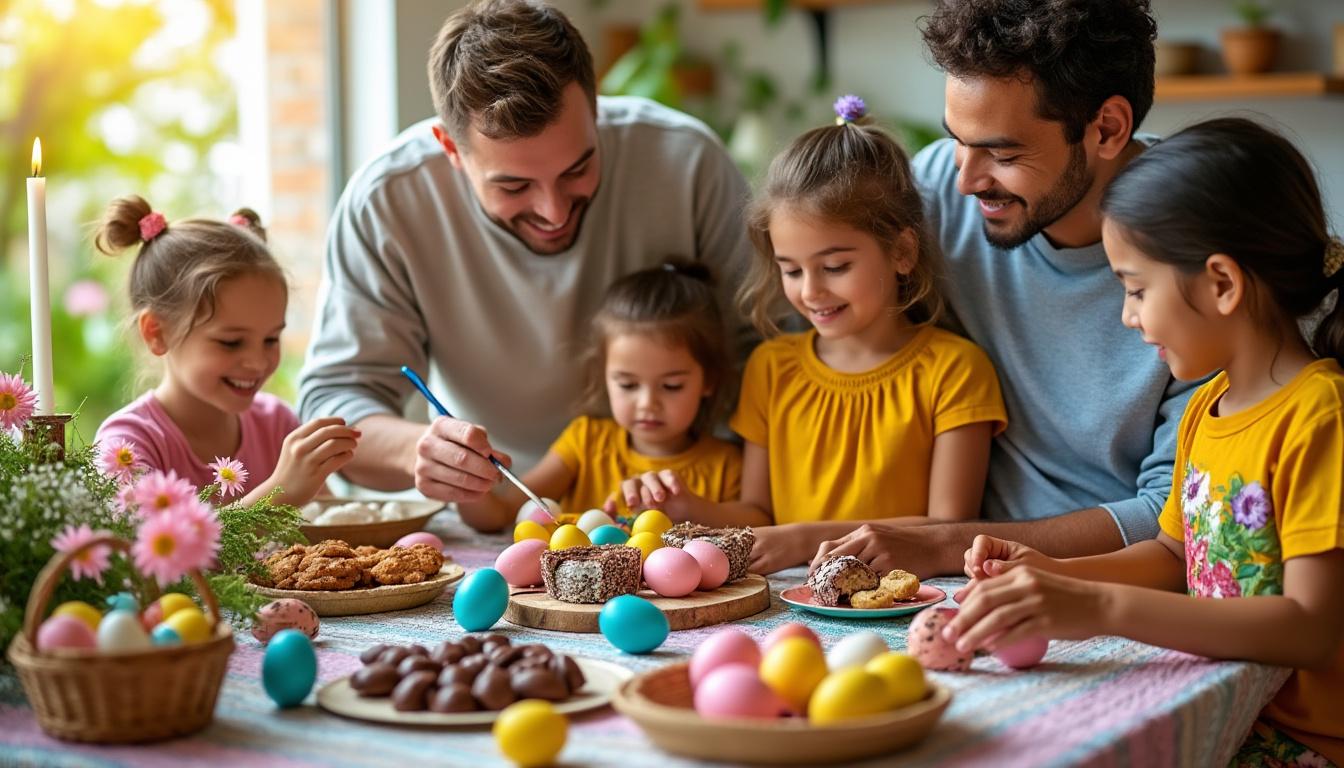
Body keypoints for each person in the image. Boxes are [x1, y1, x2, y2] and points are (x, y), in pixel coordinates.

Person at [946, 118, 1344, 767]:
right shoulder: (1206, 408)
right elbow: (1170, 554)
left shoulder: (1318, 416)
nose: (1128, 315)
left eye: (1135, 289)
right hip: (1225, 714)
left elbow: (1309, 626)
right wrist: (1049, 576)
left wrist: (1098, 604)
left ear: (1221, 283)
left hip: (1299, 748)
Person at [296, 0, 753, 527]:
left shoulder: (687, 162)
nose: (554, 211)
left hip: (688, 509)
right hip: (501, 511)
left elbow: (764, 353)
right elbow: (337, 399)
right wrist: (415, 449)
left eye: (578, 168)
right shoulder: (389, 200)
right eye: (513, 186)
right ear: (450, 148)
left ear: (596, 108)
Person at [797, 0, 1196, 577]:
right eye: (957, 139)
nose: (965, 179)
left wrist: (945, 544)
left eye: (1003, 153)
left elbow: (1174, 513)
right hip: (953, 577)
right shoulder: (935, 191)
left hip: (1113, 581)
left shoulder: (1197, 262)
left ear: (1107, 128)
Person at [617, 97, 1005, 558]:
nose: (811, 291)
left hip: (902, 601)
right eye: (792, 270)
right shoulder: (771, 368)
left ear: (902, 252)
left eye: (835, 266)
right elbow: (760, 514)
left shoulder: (956, 371)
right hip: (788, 601)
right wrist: (690, 508)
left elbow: (949, 526)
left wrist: (806, 539)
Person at [95, 195, 360, 506]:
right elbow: (159, 552)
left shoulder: (276, 424)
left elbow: (332, 535)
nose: (258, 361)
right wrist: (279, 493)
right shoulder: (127, 445)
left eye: (271, 339)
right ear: (157, 332)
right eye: (231, 342)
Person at [457, 261, 741, 531]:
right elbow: (501, 514)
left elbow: (759, 523)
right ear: (606, 376)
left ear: (709, 380)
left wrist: (691, 508)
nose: (647, 404)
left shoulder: (725, 464)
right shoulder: (585, 443)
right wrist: (465, 481)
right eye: (628, 385)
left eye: (671, 386)